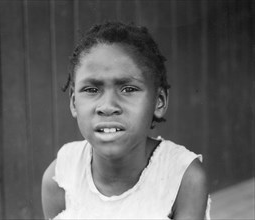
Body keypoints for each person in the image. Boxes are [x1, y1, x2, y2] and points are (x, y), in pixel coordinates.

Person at [41, 21, 211, 219]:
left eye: (128, 89)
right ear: (73, 102)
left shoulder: (182, 177)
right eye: (91, 90)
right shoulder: (61, 178)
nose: (108, 106)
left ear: (159, 101)